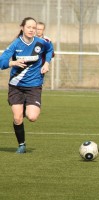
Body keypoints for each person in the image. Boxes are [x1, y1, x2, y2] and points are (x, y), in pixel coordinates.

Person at [0, 17, 54, 153]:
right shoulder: (16, 44)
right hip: (16, 85)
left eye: (34, 28)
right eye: (29, 27)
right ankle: (22, 145)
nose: (31, 30)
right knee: (17, 118)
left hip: (34, 85)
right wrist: (12, 63)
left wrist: (47, 63)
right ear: (22, 28)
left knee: (32, 117)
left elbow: (49, 50)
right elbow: (2, 61)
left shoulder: (41, 43)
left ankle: (24, 106)